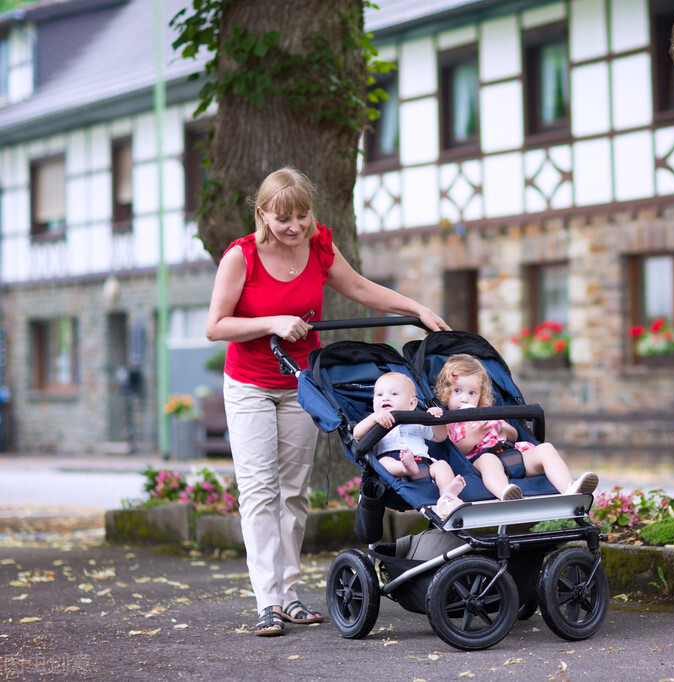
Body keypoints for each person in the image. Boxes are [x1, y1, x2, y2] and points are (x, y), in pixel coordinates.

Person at [205, 167, 449, 637]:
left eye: (301, 216)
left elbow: (358, 287)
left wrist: (414, 308)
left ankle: (291, 596)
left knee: (294, 491)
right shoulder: (242, 257)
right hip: (250, 384)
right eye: (283, 219)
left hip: (301, 383)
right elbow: (215, 326)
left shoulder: (318, 245)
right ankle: (267, 602)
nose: (294, 227)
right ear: (263, 215)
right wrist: (272, 321)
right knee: (259, 492)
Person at [433, 353, 598, 500]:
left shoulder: (486, 414)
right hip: (480, 459)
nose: (464, 399)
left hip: (512, 454)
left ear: (480, 395)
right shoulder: (450, 422)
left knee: (546, 448)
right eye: (458, 391)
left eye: (472, 393)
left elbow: (513, 434)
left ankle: (569, 488)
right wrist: (472, 439)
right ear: (446, 392)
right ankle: (505, 492)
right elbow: (456, 451)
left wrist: (503, 430)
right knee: (489, 461)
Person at [352, 372, 465, 516]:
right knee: (384, 462)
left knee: (441, 465)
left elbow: (440, 436)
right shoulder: (375, 423)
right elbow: (356, 434)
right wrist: (374, 418)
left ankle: (448, 495)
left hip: (423, 469)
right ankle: (405, 467)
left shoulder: (417, 422)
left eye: (394, 394)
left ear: (411, 404)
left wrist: (435, 418)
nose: (385, 398)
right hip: (396, 472)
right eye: (379, 395)